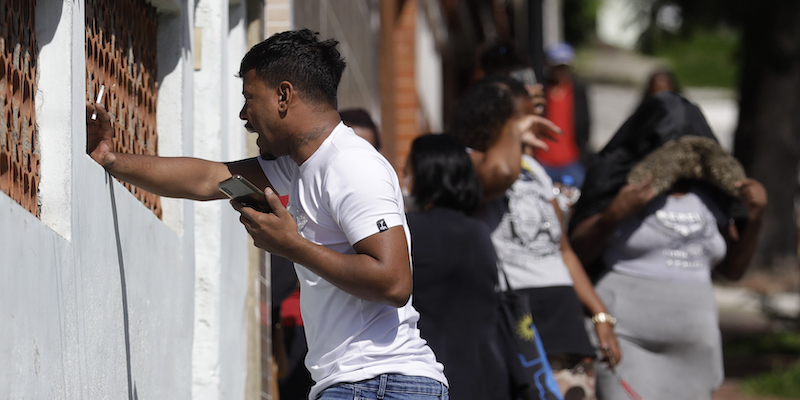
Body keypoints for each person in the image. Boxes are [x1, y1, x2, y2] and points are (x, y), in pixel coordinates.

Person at [86, 29, 448, 400]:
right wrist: (111, 158)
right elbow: (209, 178)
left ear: (284, 96)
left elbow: (394, 283)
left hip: (378, 382)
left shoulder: (350, 164)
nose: (244, 114)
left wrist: (292, 246)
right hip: (366, 383)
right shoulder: (304, 165)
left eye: (249, 98)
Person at [569, 91, 767, 400]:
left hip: (694, 346)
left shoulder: (712, 194)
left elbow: (734, 271)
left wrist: (754, 217)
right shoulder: (622, 185)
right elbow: (576, 253)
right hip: (627, 337)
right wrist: (616, 214)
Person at [448, 75, 621, 400]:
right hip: (512, 317)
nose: (535, 122)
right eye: (524, 115)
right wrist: (512, 134)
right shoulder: (467, 161)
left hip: (562, 317)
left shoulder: (534, 169)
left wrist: (599, 314)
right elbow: (497, 176)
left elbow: (564, 251)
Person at [404, 133, 512, 400]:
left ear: (424, 173)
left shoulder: (409, 230)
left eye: (407, 170)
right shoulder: (479, 231)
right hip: (487, 374)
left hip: (431, 375)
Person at [536, 42, 591, 188]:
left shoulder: (578, 91)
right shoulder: (540, 91)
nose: (561, 72)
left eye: (564, 67)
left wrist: (583, 155)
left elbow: (586, 125)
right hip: (543, 161)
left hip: (571, 161)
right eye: (557, 67)